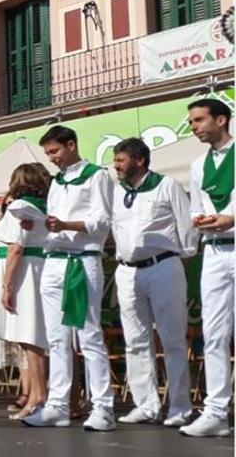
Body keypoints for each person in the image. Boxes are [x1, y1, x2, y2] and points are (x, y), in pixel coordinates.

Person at [22, 126, 116, 431]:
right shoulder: (57, 182)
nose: (52, 159)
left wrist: (65, 223)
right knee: (56, 338)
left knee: (89, 335)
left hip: (81, 261)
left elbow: (102, 223)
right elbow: (52, 225)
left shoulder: (96, 175)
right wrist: (37, 224)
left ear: (71, 145)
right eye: (48, 153)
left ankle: (103, 407)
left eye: (55, 152)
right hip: (53, 261)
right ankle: (58, 405)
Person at [110, 137, 198, 428]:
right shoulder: (116, 192)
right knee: (135, 340)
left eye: (121, 160)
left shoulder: (167, 185)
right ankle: (146, 405)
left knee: (172, 338)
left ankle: (180, 407)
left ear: (140, 160)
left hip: (162, 266)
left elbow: (186, 224)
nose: (116, 166)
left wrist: (180, 254)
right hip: (126, 271)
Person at [180, 99, 234, 438]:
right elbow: (195, 207)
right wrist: (199, 221)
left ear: (221, 119)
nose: (194, 126)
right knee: (214, 333)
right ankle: (216, 411)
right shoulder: (198, 165)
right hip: (214, 252)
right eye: (192, 121)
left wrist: (232, 218)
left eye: (199, 120)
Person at [0, 164, 50, 421]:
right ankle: (37, 395)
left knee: (29, 338)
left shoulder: (20, 207)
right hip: (39, 268)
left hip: (26, 272)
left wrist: (6, 286)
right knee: (33, 338)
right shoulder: (46, 204)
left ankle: (38, 396)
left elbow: (16, 248)